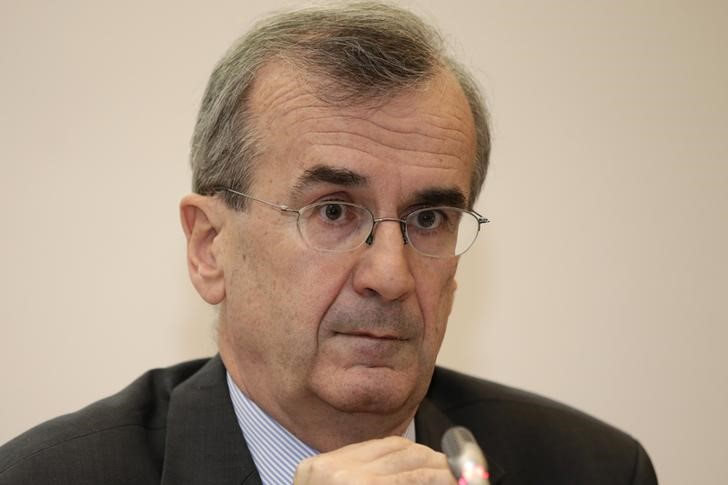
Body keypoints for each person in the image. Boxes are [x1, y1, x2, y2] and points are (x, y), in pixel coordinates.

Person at [0, 2, 657, 484]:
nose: (391, 274)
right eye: (335, 210)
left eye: (429, 219)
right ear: (209, 248)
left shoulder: (592, 467)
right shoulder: (49, 475)